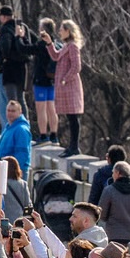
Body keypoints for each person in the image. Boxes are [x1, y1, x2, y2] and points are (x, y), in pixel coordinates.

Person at [43, 19, 85, 157]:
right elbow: (55, 56)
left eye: (62, 29)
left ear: (68, 31)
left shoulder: (72, 46)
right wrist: (49, 43)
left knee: (73, 117)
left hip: (70, 86)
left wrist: (64, 79)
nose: (60, 31)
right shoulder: (66, 46)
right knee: (70, 116)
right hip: (65, 87)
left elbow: (76, 66)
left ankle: (74, 146)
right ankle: (72, 146)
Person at [98, 161, 130, 244]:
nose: (112, 175)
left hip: (114, 237)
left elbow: (102, 215)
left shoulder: (109, 191)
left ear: (118, 173)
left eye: (113, 173)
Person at [0, 100, 31, 176]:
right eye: (8, 110)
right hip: (4, 170)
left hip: (14, 173)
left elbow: (22, 154)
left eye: (13, 111)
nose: (10, 113)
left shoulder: (21, 129)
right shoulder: (8, 127)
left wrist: (15, 172)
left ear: (20, 112)